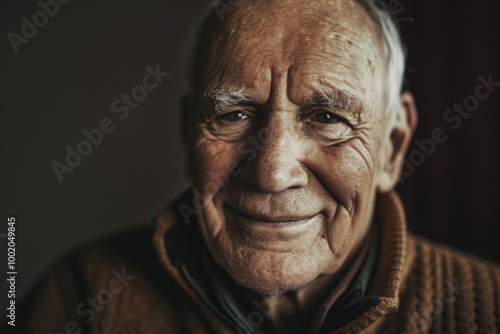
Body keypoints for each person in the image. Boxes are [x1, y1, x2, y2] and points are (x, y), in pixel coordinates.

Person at [9, 0, 500, 333]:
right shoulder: (79, 295)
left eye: (327, 117)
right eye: (235, 114)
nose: (271, 171)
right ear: (189, 132)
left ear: (393, 147)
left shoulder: (486, 307)